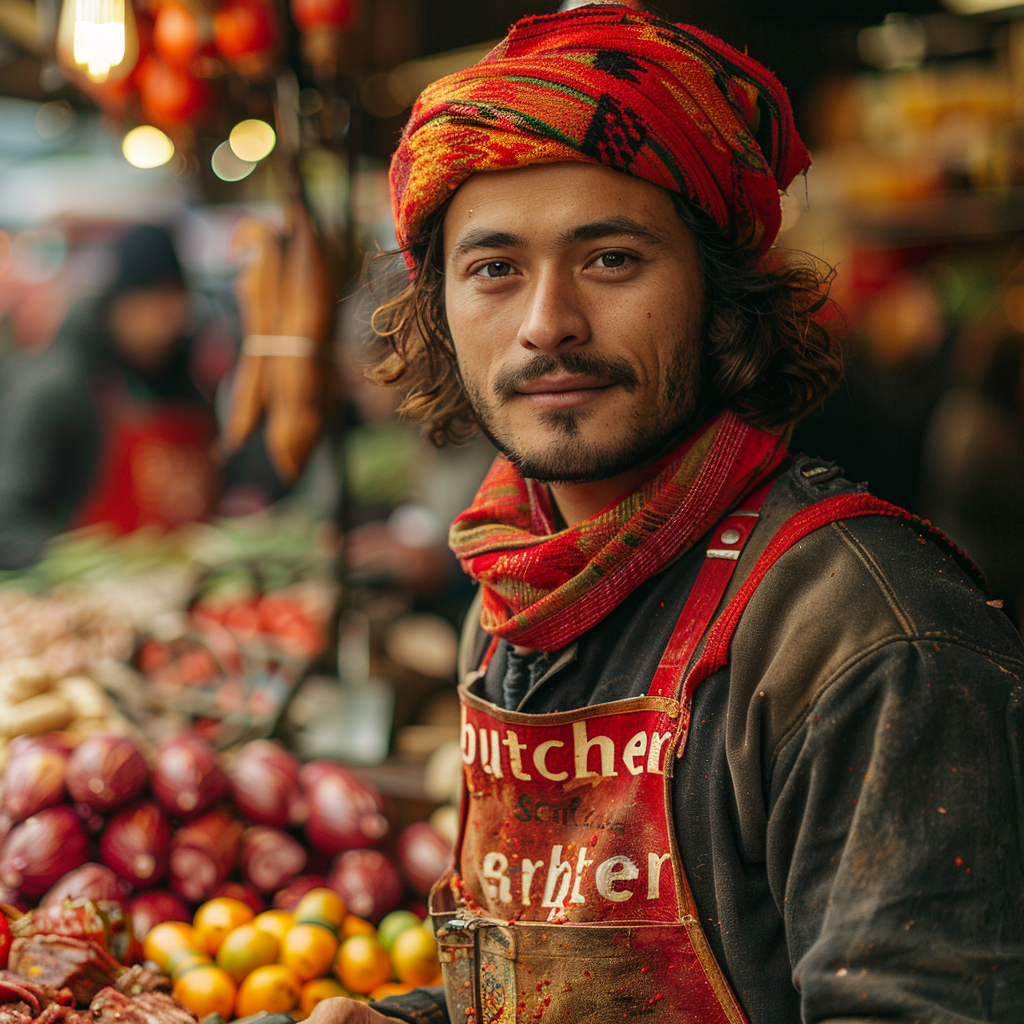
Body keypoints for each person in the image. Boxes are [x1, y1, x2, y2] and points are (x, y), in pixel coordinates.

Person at [311, 3, 1024, 1022]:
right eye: (493, 269)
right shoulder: (515, 588)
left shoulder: (872, 642)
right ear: (441, 311)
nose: (547, 322)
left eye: (610, 259)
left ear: (720, 298)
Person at [0, 225, 218, 567]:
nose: (164, 319)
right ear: (115, 303)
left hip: (189, 587)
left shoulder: (187, 381)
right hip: (91, 601)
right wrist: (78, 557)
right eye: (146, 299)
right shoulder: (58, 389)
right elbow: (7, 523)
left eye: (174, 299)